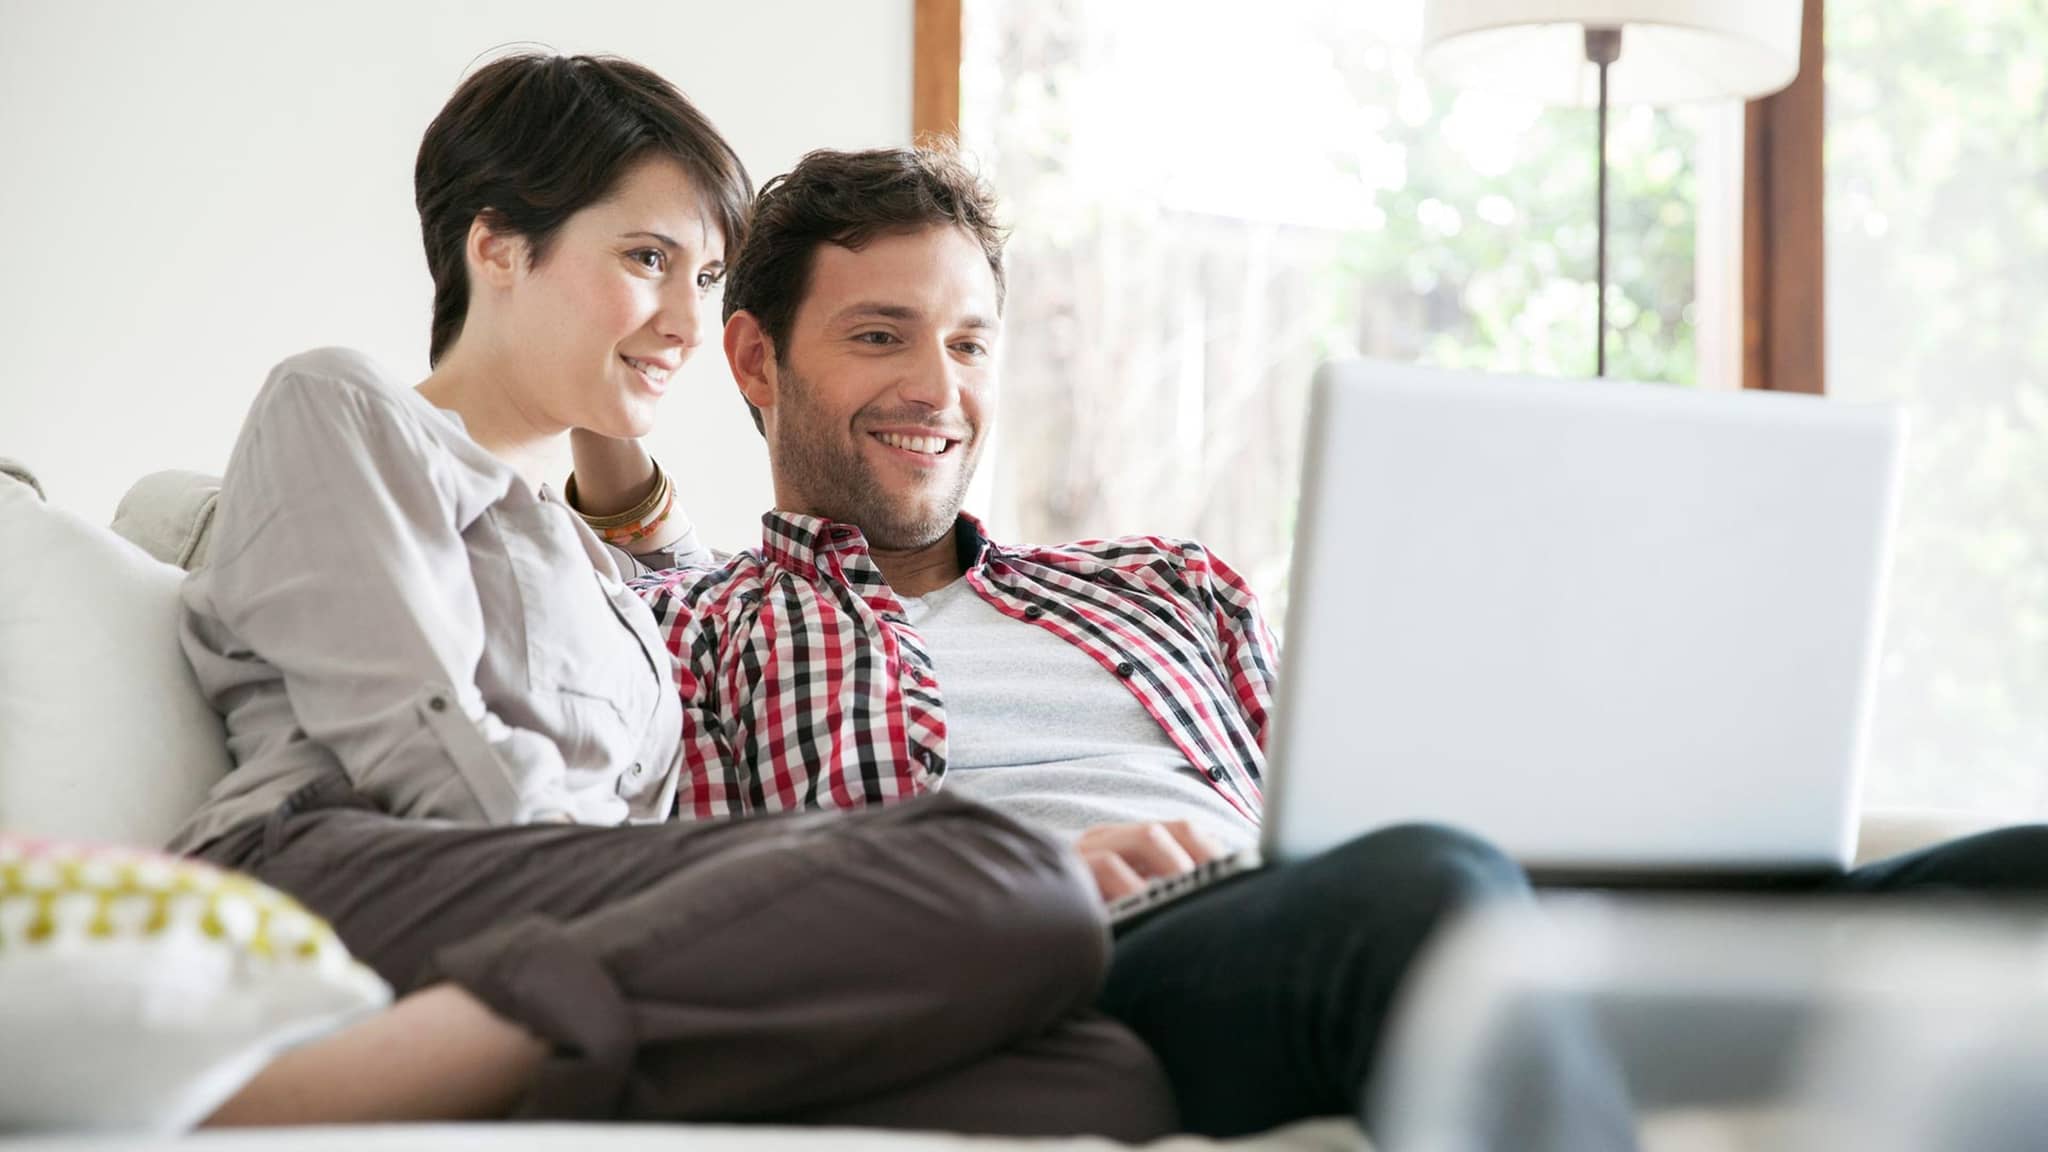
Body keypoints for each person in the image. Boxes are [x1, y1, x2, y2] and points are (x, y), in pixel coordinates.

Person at [570, 143, 2048, 1144]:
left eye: (966, 342)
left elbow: (1332, 790)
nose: (936, 388)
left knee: (2015, 879)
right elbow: (668, 894)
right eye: (880, 336)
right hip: (1069, 966)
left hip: (1338, 883)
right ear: (757, 359)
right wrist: (1001, 885)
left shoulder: (1161, 581)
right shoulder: (691, 625)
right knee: (1423, 891)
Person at [171, 54, 1173, 1138]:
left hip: (559, 920)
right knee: (992, 862)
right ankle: (275, 1097)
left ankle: (526, 1069)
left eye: (704, 279)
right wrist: (721, 899)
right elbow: (417, 739)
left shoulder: (600, 576)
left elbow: (667, 570)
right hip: (340, 873)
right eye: (649, 258)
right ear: (496, 244)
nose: (690, 324)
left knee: (1103, 1075)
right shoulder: (344, 408)